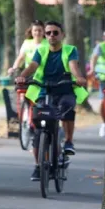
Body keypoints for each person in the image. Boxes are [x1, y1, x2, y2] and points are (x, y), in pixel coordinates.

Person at [16, 21, 88, 181]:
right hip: (44, 90)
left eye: (55, 32)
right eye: (48, 33)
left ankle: (68, 141)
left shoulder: (70, 50)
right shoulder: (40, 50)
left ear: (62, 35)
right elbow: (33, 66)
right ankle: (38, 166)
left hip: (64, 89)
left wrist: (78, 78)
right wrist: (23, 75)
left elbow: (73, 66)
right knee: (38, 129)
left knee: (68, 109)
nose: (51, 36)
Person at [87, 31, 105, 137]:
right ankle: (104, 124)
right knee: (103, 101)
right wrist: (92, 69)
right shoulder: (100, 46)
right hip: (103, 77)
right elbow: (94, 57)